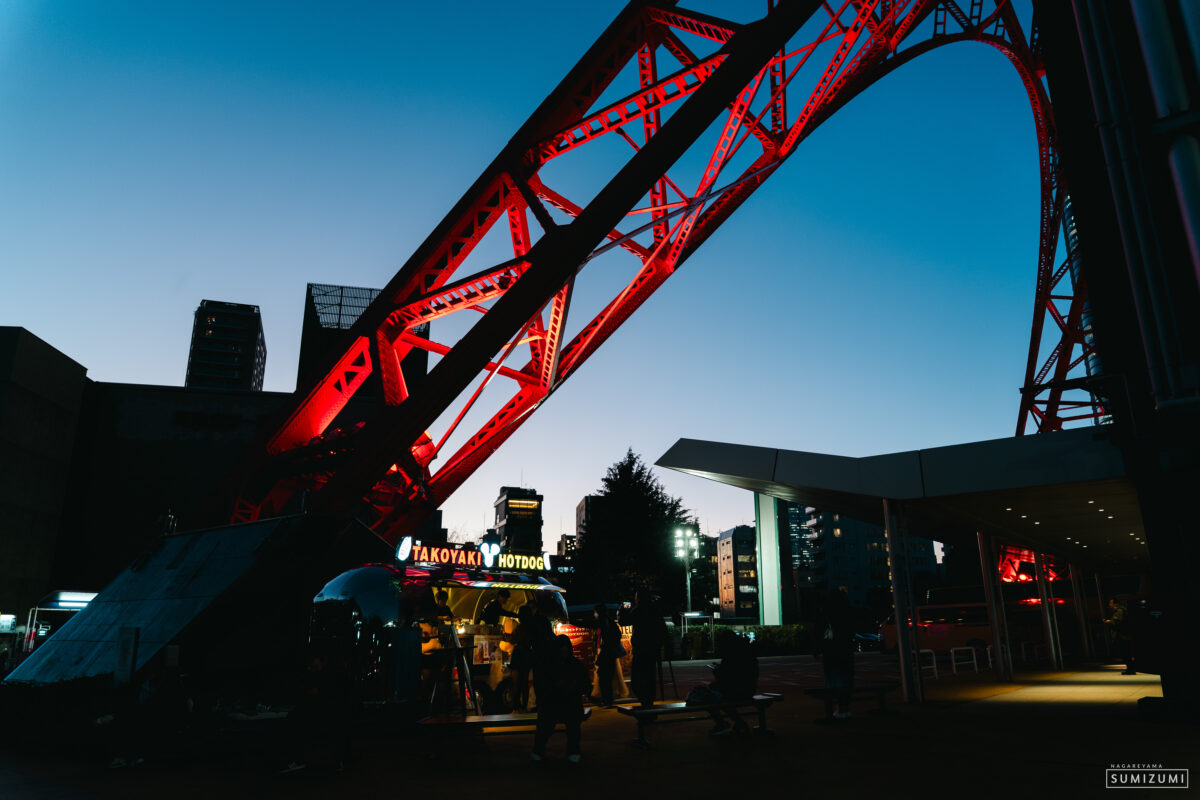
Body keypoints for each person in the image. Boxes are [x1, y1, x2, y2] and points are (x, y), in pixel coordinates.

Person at [531, 635, 590, 764]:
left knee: (549, 725)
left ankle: (538, 751)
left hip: (557, 704)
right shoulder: (574, 665)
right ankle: (572, 752)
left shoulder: (547, 665)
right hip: (560, 703)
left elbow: (540, 686)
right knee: (569, 724)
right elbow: (585, 686)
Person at [705, 631, 757, 735]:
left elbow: (725, 677)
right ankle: (738, 722)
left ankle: (722, 723)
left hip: (736, 691)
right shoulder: (745, 651)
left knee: (709, 695)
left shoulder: (730, 655)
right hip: (749, 689)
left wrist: (717, 670)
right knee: (718, 695)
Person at [818, 588, 855, 719]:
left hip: (831, 654)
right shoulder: (847, 612)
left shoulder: (826, 614)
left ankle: (833, 710)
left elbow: (820, 631)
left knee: (832, 682)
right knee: (846, 680)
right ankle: (844, 708)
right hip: (845, 652)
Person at [627, 591, 666, 707]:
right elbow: (663, 629)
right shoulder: (655, 611)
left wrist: (622, 611)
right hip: (652, 650)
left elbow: (624, 621)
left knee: (636, 679)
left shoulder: (638, 610)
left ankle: (645, 701)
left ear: (639, 599)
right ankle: (649, 701)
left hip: (640, 650)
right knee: (650, 678)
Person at [593, 604, 623, 707]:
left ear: (599, 612)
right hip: (607, 652)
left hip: (607, 653)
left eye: (595, 612)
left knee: (604, 677)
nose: (594, 615)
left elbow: (614, 635)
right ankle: (607, 700)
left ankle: (607, 700)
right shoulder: (606, 621)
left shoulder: (605, 622)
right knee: (606, 676)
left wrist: (607, 645)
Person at [1105, 598, 1136, 674]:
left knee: (1125, 653)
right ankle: (1130, 669)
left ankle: (1130, 669)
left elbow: (1117, 622)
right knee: (1127, 653)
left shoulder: (1119, 611)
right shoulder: (1122, 610)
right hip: (1125, 635)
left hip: (1122, 636)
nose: (1109, 605)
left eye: (1110, 603)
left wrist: (1109, 622)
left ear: (1115, 604)